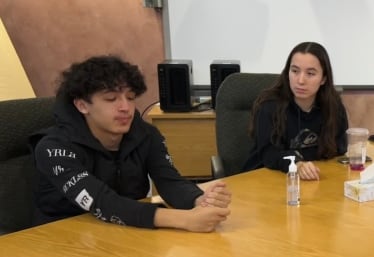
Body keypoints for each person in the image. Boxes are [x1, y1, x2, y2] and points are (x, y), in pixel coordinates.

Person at [32, 55, 231, 232]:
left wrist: (199, 201)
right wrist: (184, 220)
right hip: (62, 239)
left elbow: (169, 182)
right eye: (111, 99)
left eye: (130, 98)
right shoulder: (54, 149)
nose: (125, 107)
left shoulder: (146, 135)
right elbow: (104, 202)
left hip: (125, 231)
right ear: (82, 105)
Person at [242, 41, 349, 180]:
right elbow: (269, 154)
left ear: (323, 79)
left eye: (310, 73)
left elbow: (339, 148)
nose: (300, 80)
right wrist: (297, 164)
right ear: (287, 73)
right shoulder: (269, 106)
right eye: (295, 71)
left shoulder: (333, 106)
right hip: (265, 179)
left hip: (313, 179)